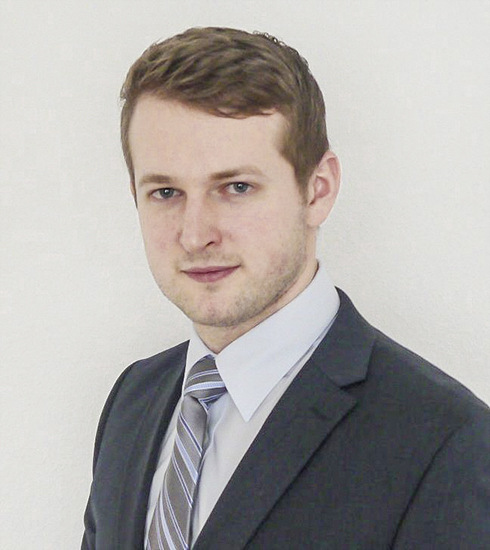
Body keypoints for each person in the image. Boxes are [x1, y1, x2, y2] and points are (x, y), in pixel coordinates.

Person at [82, 27, 490, 550]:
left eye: (236, 187)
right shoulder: (132, 401)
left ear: (318, 191)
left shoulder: (444, 442)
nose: (195, 234)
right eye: (165, 192)